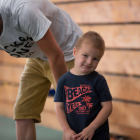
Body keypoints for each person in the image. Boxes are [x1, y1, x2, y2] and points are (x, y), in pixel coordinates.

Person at [0, 0, 83, 139]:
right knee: (23, 113)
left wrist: (64, 98)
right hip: (38, 56)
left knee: (72, 112)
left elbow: (56, 55)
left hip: (67, 50)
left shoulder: (23, 11)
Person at [54, 31, 113, 140]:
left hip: (97, 134)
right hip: (73, 135)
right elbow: (59, 107)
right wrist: (66, 130)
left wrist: (92, 127)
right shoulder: (63, 80)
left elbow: (107, 107)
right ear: (75, 52)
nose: (89, 61)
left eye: (95, 59)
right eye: (85, 55)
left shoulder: (99, 80)